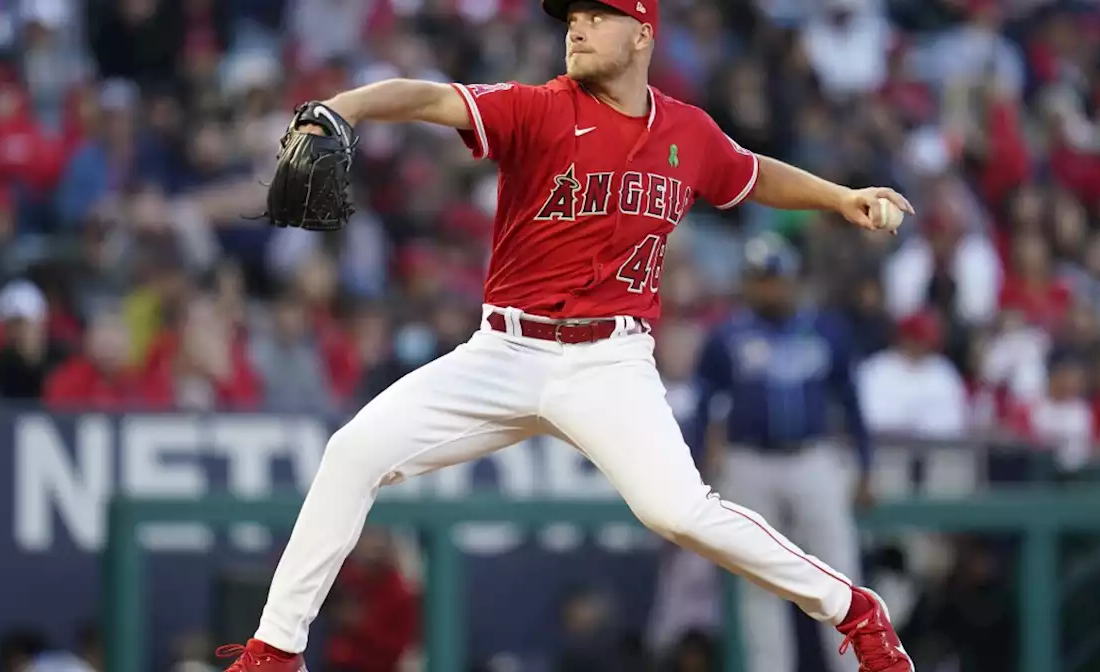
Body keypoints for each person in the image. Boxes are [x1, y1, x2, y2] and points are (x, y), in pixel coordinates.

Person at [219, 1, 916, 671]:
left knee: (679, 513)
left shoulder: (688, 133)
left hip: (610, 364)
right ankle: (274, 651)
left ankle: (854, 610)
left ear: (641, 34)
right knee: (352, 453)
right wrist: (345, 107)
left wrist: (840, 197)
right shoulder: (540, 106)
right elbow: (429, 99)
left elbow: (753, 174)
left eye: (595, 17)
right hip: (505, 351)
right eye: (572, 19)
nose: (576, 29)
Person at [694, 235, 872, 672]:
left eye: (776, 279)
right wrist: (697, 464)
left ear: (794, 281)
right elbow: (703, 404)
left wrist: (866, 465)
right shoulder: (728, 334)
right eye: (761, 280)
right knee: (760, 581)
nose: (769, 288)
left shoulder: (826, 328)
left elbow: (851, 401)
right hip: (749, 461)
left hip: (813, 457)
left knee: (839, 576)